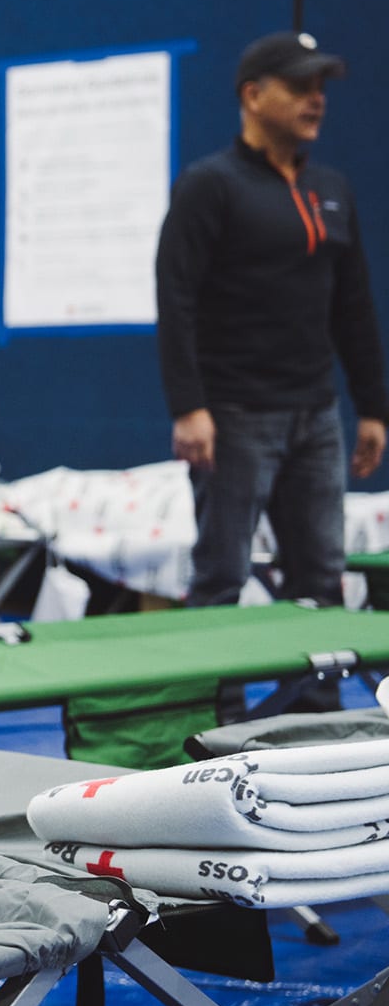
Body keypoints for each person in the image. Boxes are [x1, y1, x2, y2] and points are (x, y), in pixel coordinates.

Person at [156, 32, 387, 647]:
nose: (316, 100)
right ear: (253, 96)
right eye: (300, 87)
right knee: (222, 579)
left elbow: (354, 304)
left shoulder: (331, 189)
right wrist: (189, 408)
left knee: (320, 580)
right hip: (233, 417)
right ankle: (215, 726)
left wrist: (373, 407)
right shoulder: (211, 185)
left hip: (316, 417)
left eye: (321, 88)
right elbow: (174, 298)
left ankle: (314, 718)